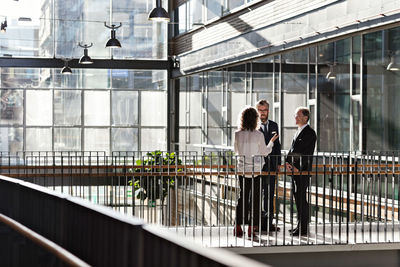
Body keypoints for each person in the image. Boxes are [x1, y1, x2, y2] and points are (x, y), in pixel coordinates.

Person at [234, 106, 278, 238]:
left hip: (242, 171)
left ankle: (237, 226)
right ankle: (251, 228)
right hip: (256, 171)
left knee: (242, 198)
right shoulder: (259, 135)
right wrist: (271, 143)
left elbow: (236, 151)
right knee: (256, 199)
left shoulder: (237, 134)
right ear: (255, 119)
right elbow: (265, 152)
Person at [285, 106, 317, 236]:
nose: (296, 118)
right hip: (295, 171)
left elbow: (306, 153)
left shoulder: (309, 133)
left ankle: (303, 228)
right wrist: (287, 162)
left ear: (305, 117)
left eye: (298, 116)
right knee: (297, 198)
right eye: (295, 115)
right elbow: (293, 150)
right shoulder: (298, 131)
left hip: (302, 172)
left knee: (301, 199)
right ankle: (299, 225)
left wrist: (299, 167)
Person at [256, 100, 281, 233]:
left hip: (271, 166)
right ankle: (258, 224)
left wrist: (278, 164)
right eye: (260, 110)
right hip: (258, 166)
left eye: (264, 110)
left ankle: (268, 224)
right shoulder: (253, 126)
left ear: (268, 111)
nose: (262, 113)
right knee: (257, 195)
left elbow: (277, 146)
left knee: (270, 195)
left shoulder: (274, 125)